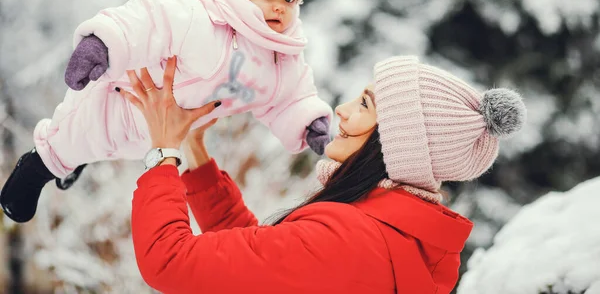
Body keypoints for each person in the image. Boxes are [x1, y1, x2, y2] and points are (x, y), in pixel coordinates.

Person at [0, 0, 333, 223]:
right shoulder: (199, 14)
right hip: (121, 103)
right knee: (72, 141)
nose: (279, 7)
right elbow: (147, 20)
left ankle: (77, 161)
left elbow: (292, 95)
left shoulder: (283, 53)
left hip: (165, 133)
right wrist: (101, 43)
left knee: (103, 152)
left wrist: (309, 122)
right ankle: (34, 171)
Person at [124, 55, 526, 294]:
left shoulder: (346, 238)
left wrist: (164, 152)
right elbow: (262, 258)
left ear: (398, 142)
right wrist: (193, 152)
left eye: (366, 106)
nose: (343, 111)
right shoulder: (396, 240)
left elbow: (169, 258)